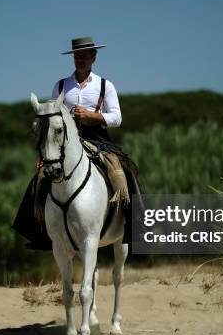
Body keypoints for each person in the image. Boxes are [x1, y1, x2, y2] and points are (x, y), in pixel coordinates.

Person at [12, 37, 143, 250]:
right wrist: (43, 156)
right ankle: (39, 232)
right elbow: (51, 120)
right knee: (40, 179)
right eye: (77, 56)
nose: (80, 60)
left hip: (98, 140)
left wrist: (92, 116)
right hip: (64, 143)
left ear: (93, 57)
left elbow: (117, 118)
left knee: (124, 172)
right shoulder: (61, 85)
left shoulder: (105, 85)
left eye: (85, 56)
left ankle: (135, 227)